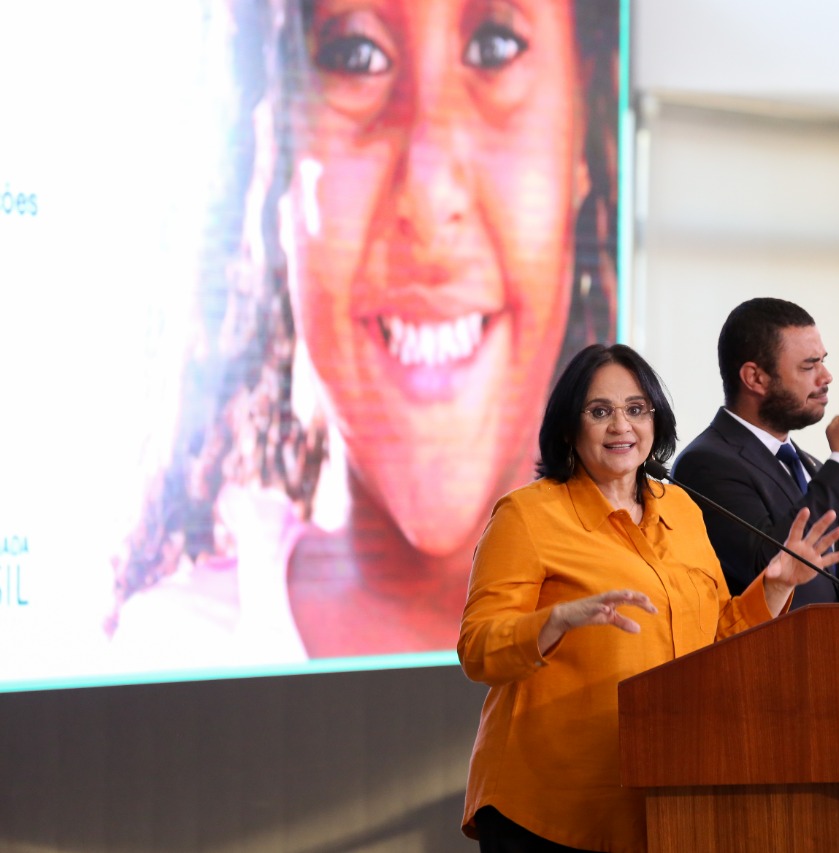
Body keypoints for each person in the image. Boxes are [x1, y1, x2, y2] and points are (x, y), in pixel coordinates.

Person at [106, 0, 620, 660]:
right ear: (278, 154)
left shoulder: (651, 616)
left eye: (494, 47)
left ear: (581, 131)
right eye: (356, 55)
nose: (430, 196)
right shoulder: (176, 646)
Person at [458, 343, 839, 852]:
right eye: (600, 412)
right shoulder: (527, 516)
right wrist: (555, 620)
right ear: (568, 430)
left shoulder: (683, 508)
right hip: (550, 810)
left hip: (664, 796)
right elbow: (478, 648)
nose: (622, 426)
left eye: (636, 410)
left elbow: (714, 642)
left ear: (655, 421)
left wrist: (777, 583)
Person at [671, 297, 839, 607]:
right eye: (810, 365)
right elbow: (769, 567)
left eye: (822, 360)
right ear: (755, 378)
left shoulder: (808, 464)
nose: (826, 377)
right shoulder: (705, 463)